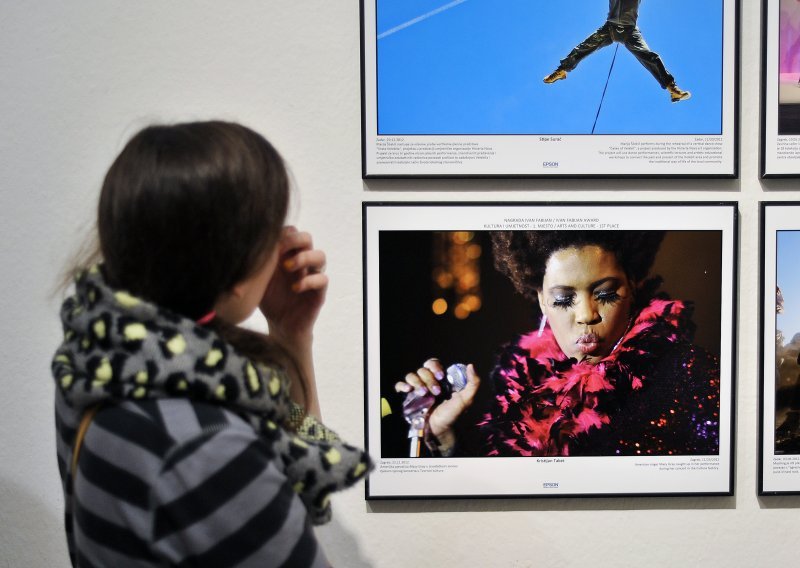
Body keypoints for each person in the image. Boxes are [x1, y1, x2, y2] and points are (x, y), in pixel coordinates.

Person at [52, 121, 371, 567]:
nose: (285, 243)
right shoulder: (206, 447)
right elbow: (305, 490)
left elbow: (303, 460)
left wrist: (291, 337)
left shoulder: (99, 362)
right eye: (270, 231)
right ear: (234, 274)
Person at [396, 231, 719, 457]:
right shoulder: (519, 385)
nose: (586, 315)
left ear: (632, 289)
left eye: (605, 294)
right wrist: (442, 434)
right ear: (541, 301)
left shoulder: (689, 377)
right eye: (564, 299)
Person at [543, 0, 691, 103]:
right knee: (582, 47)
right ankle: (561, 70)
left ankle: (672, 89)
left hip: (630, 31)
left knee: (651, 57)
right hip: (610, 28)